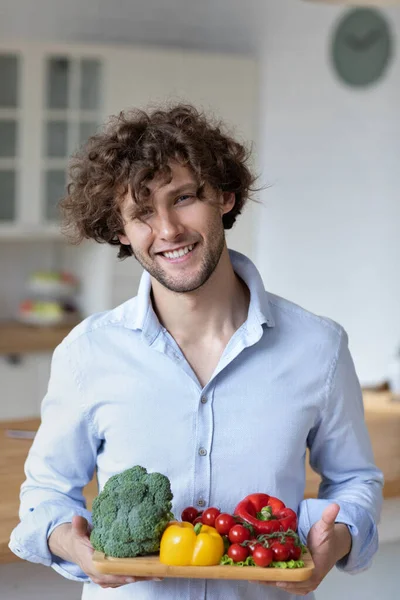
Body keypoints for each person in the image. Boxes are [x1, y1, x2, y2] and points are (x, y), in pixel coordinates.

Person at [10, 104, 383, 600]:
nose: (167, 229)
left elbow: (356, 479)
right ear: (120, 231)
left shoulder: (319, 347)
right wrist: (70, 543)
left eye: (183, 198)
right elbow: (45, 495)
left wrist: (336, 540)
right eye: (142, 212)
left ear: (225, 196)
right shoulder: (88, 353)